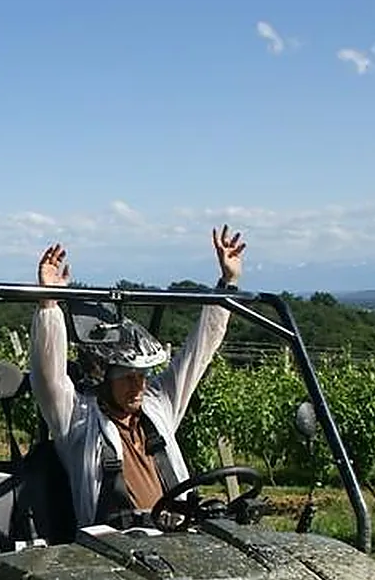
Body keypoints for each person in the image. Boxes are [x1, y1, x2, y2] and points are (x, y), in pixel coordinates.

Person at [30, 225, 246, 531]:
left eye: (143, 375)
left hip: (178, 537)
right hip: (111, 547)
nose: (139, 385)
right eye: (127, 376)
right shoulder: (78, 421)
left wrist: (227, 284)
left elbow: (197, 355)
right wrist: (49, 303)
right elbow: (48, 377)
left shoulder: (158, 408)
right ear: (102, 376)